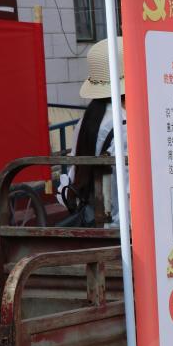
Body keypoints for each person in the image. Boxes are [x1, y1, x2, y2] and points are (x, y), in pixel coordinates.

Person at [59, 37, 127, 227]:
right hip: (117, 224)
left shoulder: (89, 117)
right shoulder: (124, 125)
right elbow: (127, 193)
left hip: (90, 215)